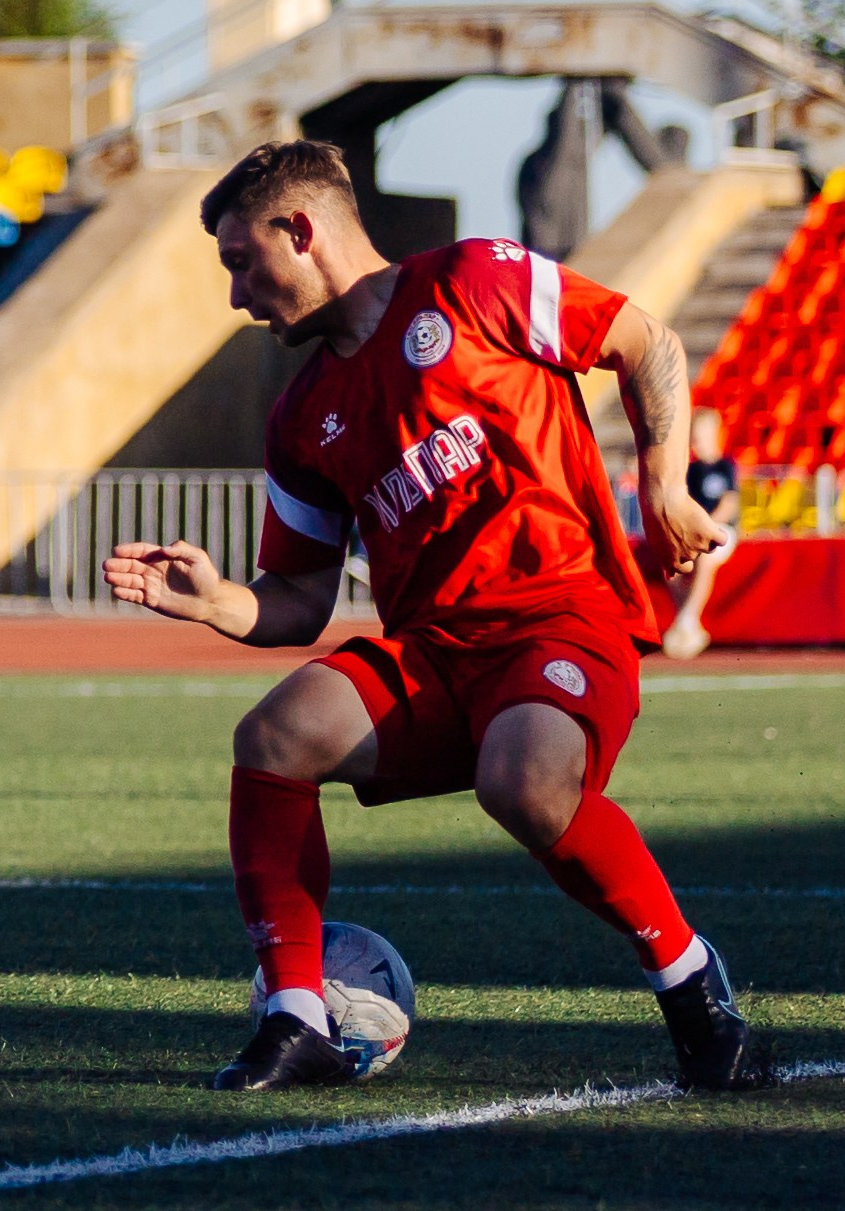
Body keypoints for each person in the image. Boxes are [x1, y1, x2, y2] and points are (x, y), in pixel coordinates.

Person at [102, 140, 763, 1093]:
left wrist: (663, 486)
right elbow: (298, 598)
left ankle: (694, 986)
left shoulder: (474, 279)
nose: (238, 295)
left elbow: (644, 341)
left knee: (524, 783)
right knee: (274, 736)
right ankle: (297, 1016)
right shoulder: (301, 416)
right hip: (435, 654)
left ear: (302, 230)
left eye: (243, 261)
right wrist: (214, 601)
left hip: (561, 617)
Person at [662, 407, 739, 660]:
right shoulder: (692, 470)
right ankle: (689, 623)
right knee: (672, 563)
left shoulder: (725, 466)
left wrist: (706, 525)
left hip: (721, 530)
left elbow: (728, 505)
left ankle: (686, 619)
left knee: (706, 559)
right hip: (698, 530)